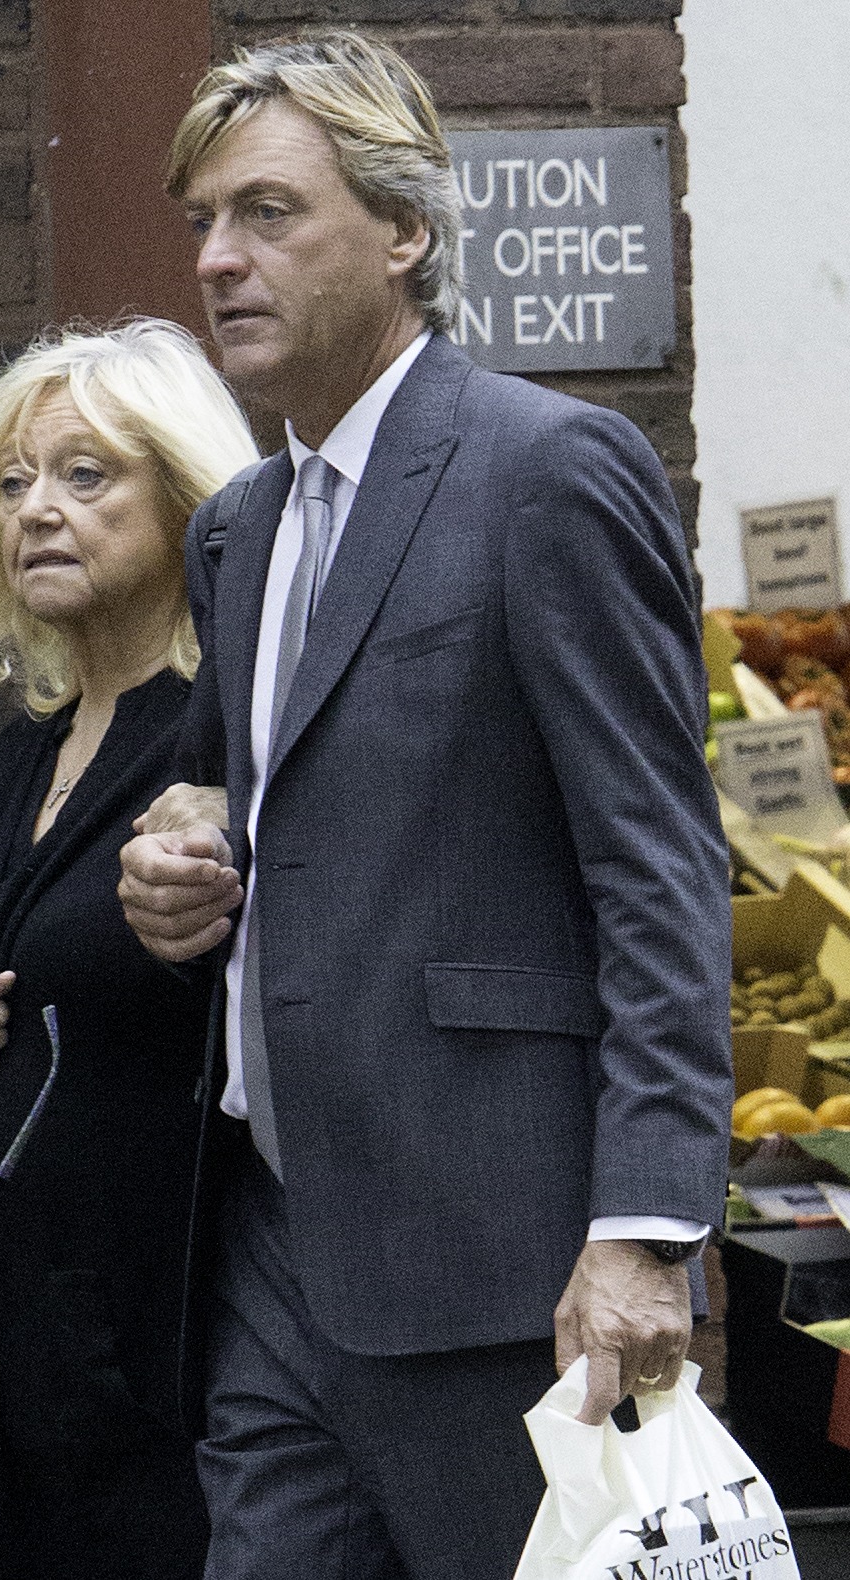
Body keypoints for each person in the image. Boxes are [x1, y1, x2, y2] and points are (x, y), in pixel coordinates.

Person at [117, 31, 734, 1580]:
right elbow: (257, 798)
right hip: (268, 1251)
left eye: (267, 214)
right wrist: (182, 865)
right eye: (202, 220)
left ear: (404, 230)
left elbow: (657, 866)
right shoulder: (240, 529)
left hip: (504, 1269)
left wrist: (648, 1229)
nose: (216, 259)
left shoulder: (547, 469)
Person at [0, 318, 259, 1580]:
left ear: (187, 498)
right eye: (14, 481)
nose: (39, 508)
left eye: (88, 475)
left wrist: (229, 859)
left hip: (144, 1371)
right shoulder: (27, 739)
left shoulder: (224, 733)